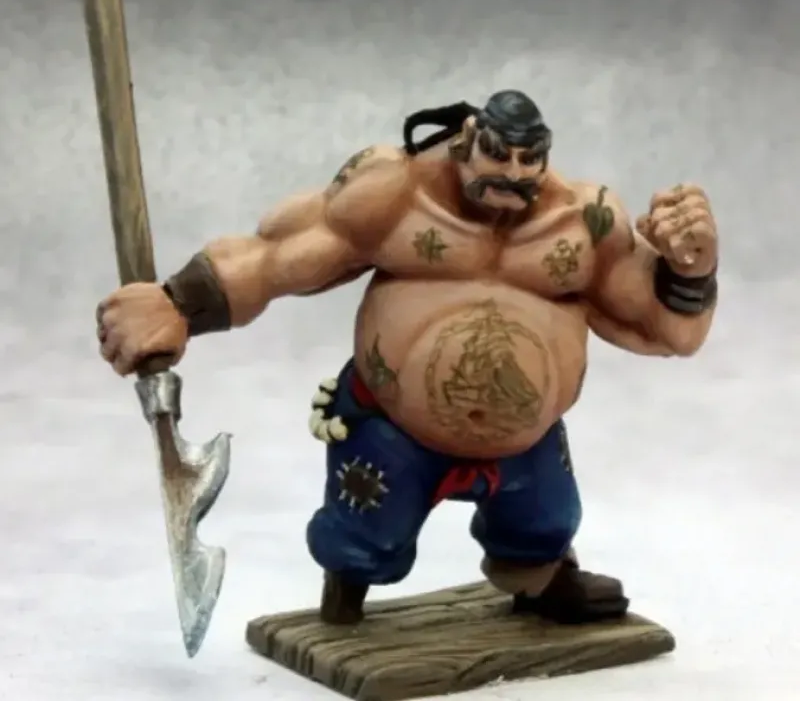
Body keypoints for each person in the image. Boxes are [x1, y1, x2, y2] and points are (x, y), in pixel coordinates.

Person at [95, 90, 719, 626]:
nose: (512, 173)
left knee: (545, 522)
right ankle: (346, 596)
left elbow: (668, 331)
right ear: (467, 139)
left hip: (525, 439)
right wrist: (177, 303)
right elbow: (276, 258)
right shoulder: (395, 193)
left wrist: (691, 269)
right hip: (392, 430)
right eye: (497, 154)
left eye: (529, 159)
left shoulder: (584, 221)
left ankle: (540, 582)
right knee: (364, 536)